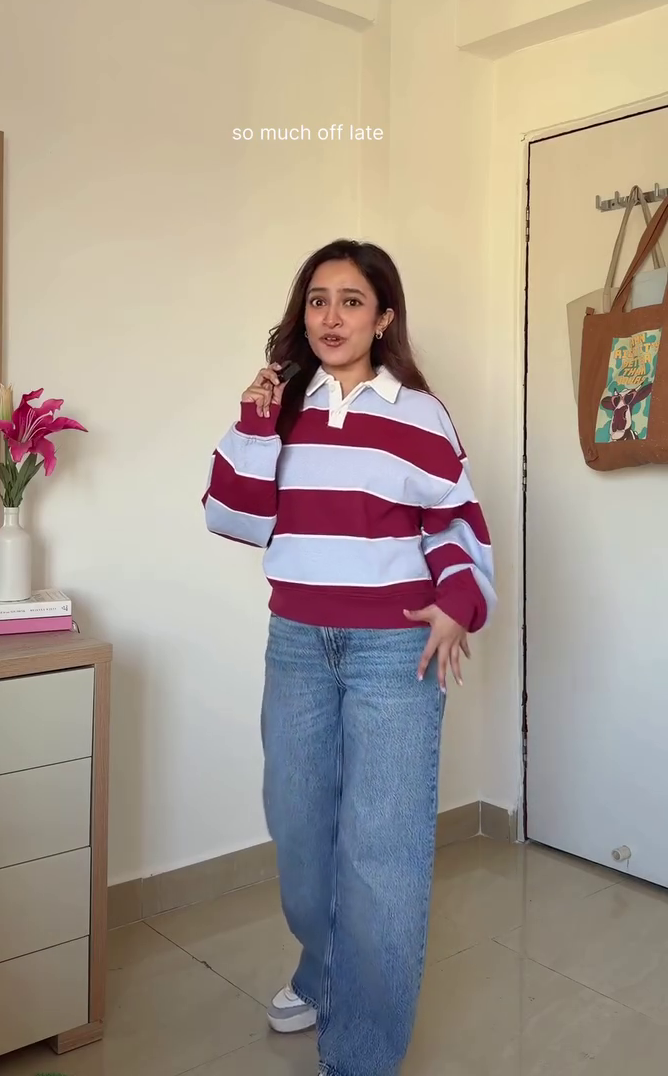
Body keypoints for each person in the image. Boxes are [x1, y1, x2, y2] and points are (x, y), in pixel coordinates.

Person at [203, 240, 495, 1076]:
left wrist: (457, 601)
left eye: (353, 301)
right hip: (297, 643)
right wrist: (257, 426)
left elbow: (454, 521)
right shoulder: (279, 406)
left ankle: (362, 1054)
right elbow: (233, 518)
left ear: (384, 318)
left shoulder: (419, 413)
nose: (332, 316)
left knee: (381, 848)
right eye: (318, 300)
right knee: (300, 833)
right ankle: (324, 968)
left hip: (393, 649)